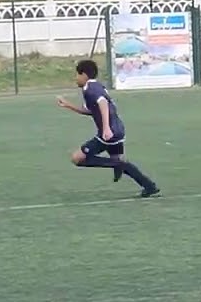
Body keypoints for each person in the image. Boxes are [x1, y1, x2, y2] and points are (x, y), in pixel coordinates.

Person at [56, 59, 160, 198]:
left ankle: (117, 165)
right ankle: (149, 186)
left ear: (84, 75)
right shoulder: (96, 86)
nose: (76, 78)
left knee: (77, 158)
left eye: (77, 75)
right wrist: (69, 105)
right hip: (117, 130)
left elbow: (103, 102)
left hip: (109, 132)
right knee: (120, 162)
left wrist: (105, 128)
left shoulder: (90, 88)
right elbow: (90, 111)